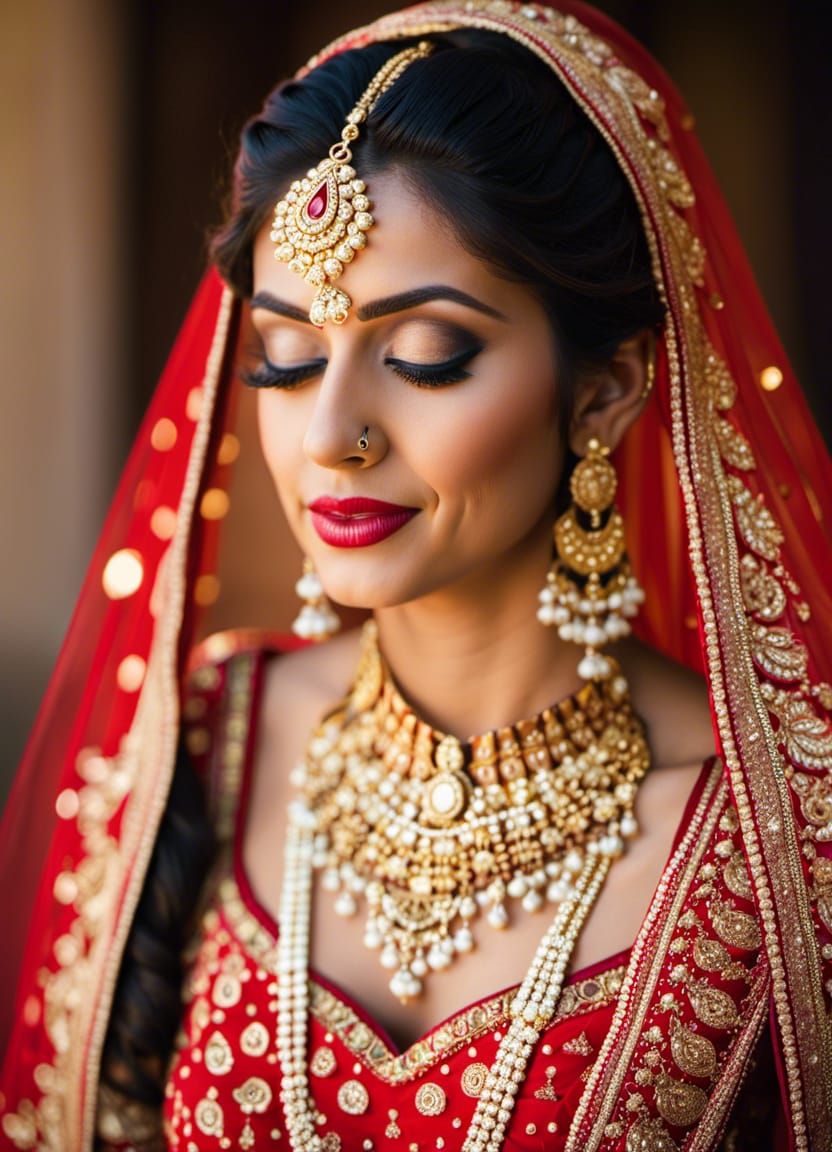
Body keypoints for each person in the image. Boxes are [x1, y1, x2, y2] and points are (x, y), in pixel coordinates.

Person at [1, 2, 830, 1149]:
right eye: (285, 360)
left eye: (424, 356)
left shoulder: (783, 842)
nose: (332, 429)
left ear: (604, 388)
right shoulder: (202, 744)